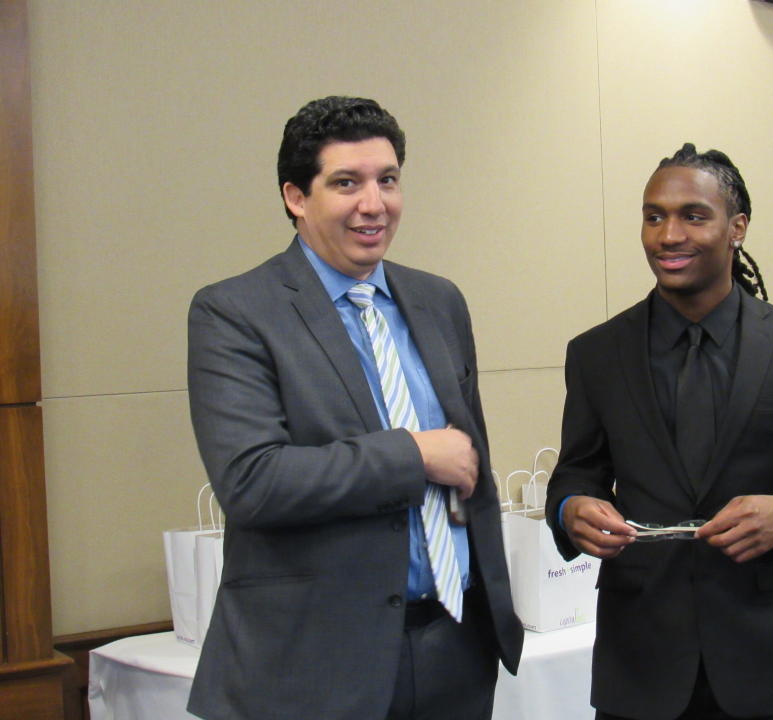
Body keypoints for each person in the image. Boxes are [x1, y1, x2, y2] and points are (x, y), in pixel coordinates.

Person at [186, 96, 522, 720]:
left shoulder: (438, 300)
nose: (375, 204)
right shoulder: (234, 313)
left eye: (387, 180)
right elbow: (253, 482)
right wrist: (413, 454)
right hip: (314, 669)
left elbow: (470, 467)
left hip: (456, 646)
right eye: (346, 183)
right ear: (296, 197)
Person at [545, 143, 773, 720]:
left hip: (767, 662)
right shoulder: (596, 353)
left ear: (736, 227)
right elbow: (577, 472)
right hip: (639, 666)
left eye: (694, 215)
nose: (668, 234)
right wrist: (571, 508)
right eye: (653, 216)